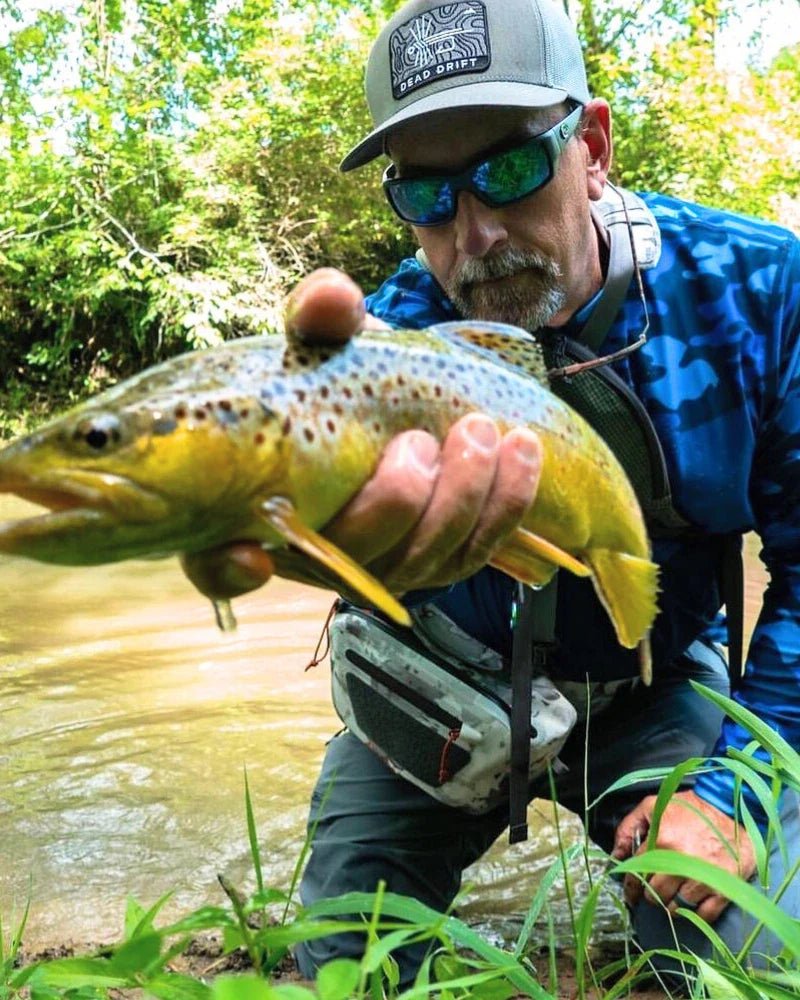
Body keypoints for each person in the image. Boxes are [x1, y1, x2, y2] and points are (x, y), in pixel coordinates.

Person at [184, 0, 800, 986]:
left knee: (746, 960)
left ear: (591, 149)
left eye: (509, 171)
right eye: (426, 194)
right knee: (340, 966)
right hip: (441, 693)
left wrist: (735, 792)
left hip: (655, 686)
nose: (473, 234)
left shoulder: (758, 295)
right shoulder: (387, 342)